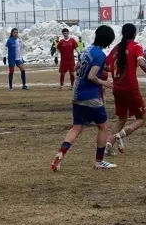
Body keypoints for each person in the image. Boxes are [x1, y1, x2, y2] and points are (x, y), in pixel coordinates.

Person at [50, 25, 117, 171]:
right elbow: (91, 76)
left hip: (77, 93)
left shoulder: (87, 49)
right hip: (91, 96)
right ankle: (99, 161)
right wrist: (104, 82)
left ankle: (60, 154)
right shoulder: (99, 55)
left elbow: (78, 67)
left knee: (77, 127)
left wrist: (108, 68)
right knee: (103, 127)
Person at [105, 23, 146, 156]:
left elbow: (105, 66)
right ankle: (120, 135)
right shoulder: (136, 46)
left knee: (122, 118)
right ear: (134, 34)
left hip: (117, 89)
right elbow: (142, 62)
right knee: (141, 118)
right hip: (130, 88)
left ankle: (108, 145)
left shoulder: (116, 48)